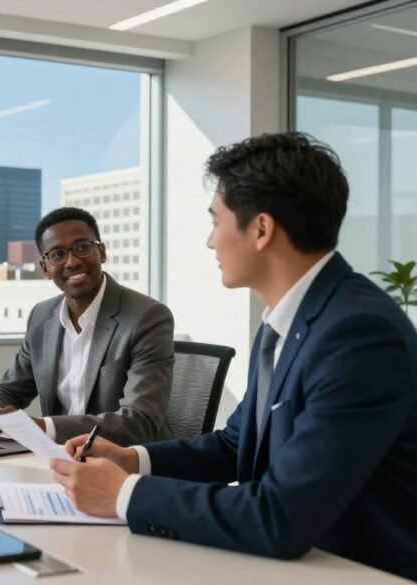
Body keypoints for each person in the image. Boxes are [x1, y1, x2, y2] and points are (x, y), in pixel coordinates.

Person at [50, 132, 417, 580]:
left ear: (261, 229)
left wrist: (125, 494)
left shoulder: (358, 333)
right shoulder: (286, 321)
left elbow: (282, 516)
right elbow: (236, 444)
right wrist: (134, 460)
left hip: (350, 571)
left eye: (216, 221)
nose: (210, 241)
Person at [0, 207, 175, 445]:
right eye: (57, 254)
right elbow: (12, 389)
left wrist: (43, 427)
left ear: (101, 252)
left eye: (83, 247)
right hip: (59, 457)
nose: (72, 261)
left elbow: (139, 422)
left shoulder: (147, 317)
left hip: (126, 462)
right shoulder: (41, 317)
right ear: (44, 268)